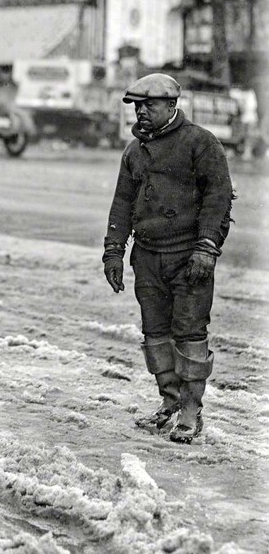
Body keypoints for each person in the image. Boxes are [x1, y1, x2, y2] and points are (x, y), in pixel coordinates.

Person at [103, 73, 234, 444]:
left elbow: (218, 199)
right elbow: (122, 203)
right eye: (137, 106)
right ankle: (169, 401)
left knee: (190, 332)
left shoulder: (201, 144)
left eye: (150, 105)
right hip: (147, 257)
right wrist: (113, 251)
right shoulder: (134, 151)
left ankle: (191, 411)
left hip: (188, 257)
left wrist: (207, 248)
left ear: (172, 106)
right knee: (155, 332)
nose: (141, 112)